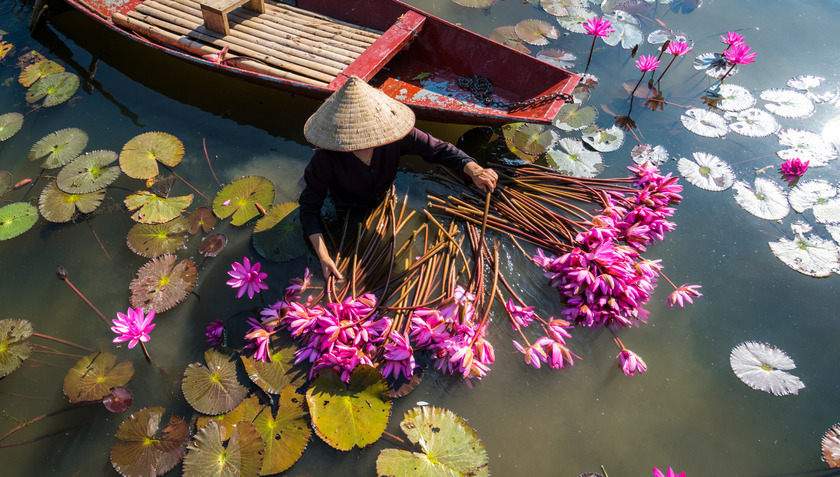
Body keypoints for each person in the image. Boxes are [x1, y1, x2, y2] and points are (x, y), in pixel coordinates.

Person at [299, 76, 497, 280]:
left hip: (381, 196)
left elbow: (438, 149)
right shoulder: (326, 158)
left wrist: (473, 168)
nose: (365, 141)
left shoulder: (393, 135)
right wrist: (323, 256)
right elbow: (308, 209)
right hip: (344, 203)